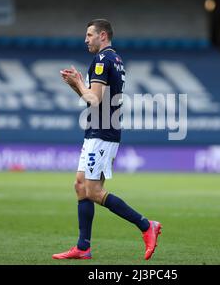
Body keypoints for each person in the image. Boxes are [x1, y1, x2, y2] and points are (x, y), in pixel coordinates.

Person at [52, 19, 162, 260]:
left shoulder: (102, 60)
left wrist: (79, 82)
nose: (85, 39)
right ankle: (83, 247)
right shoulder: (116, 59)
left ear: (103, 35)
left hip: (102, 132)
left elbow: (94, 100)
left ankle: (146, 225)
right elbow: (91, 98)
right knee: (81, 186)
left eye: (89, 35)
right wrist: (76, 85)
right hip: (98, 129)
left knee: (92, 190)